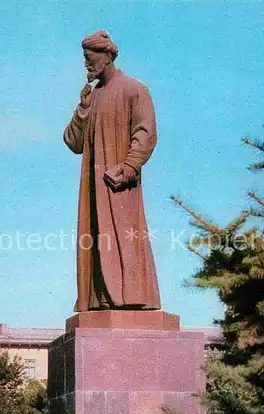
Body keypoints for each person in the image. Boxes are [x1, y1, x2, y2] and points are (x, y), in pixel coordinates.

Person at [64, 30, 161, 312]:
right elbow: (73, 142)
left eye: (89, 58)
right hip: (93, 187)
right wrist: (83, 108)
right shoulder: (91, 98)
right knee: (96, 238)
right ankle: (100, 297)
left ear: (107, 57)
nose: (86, 64)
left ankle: (131, 297)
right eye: (84, 59)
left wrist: (130, 166)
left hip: (119, 183)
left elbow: (145, 132)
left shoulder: (134, 89)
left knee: (123, 236)